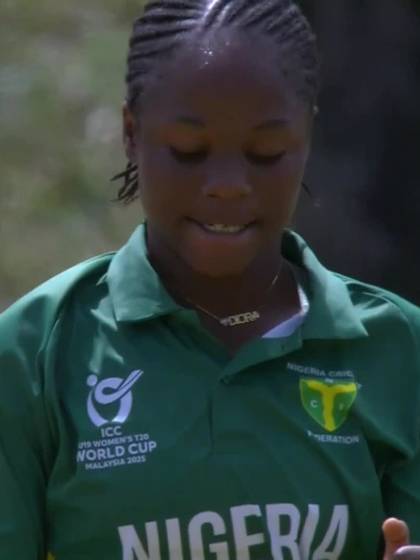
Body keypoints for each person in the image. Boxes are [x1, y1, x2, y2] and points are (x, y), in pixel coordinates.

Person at [0, 0, 419, 558]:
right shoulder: (32, 355)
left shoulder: (401, 348)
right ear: (131, 133)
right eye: (189, 152)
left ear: (308, 138)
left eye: (266, 153)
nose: (227, 185)